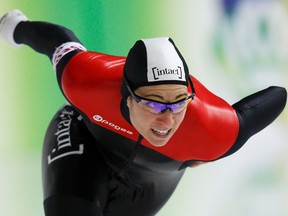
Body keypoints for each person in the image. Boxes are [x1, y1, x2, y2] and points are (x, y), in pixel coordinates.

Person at [0, 10, 287, 216]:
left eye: (177, 103)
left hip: (150, 181)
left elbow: (275, 98)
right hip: (86, 141)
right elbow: (58, 41)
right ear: (126, 99)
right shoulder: (84, 80)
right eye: (153, 103)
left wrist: (204, 147)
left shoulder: (212, 129)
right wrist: (16, 27)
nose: (167, 119)